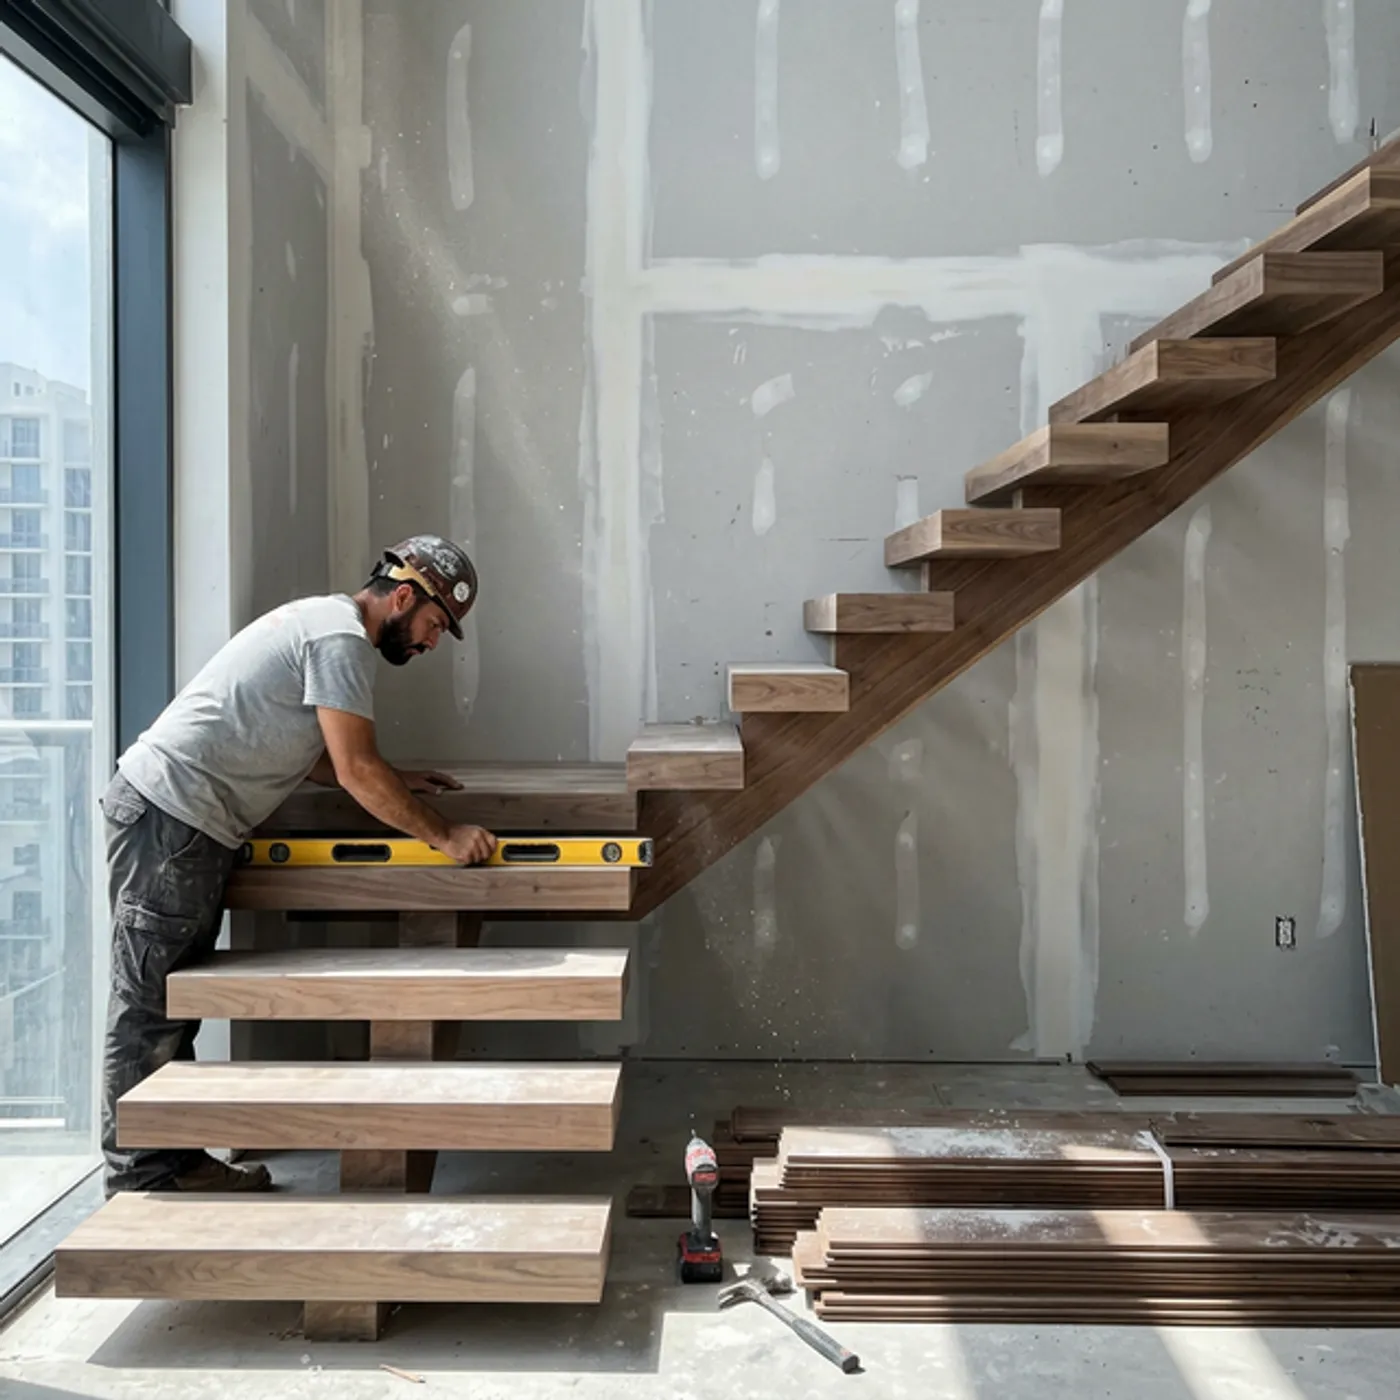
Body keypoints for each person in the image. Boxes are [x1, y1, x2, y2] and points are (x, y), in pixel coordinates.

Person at [98, 535, 496, 1196]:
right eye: (432, 626)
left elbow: (308, 747)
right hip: (171, 821)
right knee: (148, 1007)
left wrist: (394, 779)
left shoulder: (322, 622)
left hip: (178, 820)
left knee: (169, 1005)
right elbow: (354, 769)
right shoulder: (339, 641)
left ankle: (172, 1161)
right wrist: (445, 835)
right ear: (402, 597)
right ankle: (141, 1181)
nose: (429, 644)